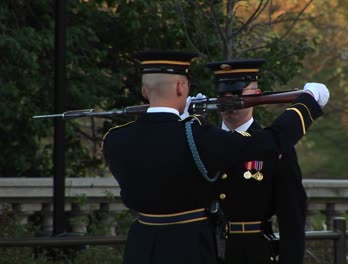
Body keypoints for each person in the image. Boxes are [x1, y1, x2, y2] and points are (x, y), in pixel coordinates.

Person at [101, 50, 329, 264]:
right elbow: (270, 142)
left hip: (142, 248)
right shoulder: (200, 137)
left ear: (144, 90)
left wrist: (185, 120)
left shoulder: (114, 139)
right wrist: (307, 103)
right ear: (181, 88)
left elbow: (292, 219)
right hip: (192, 248)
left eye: (237, 94)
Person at [206, 59, 329, 264]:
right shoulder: (202, 141)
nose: (228, 103)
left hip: (253, 252)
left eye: (237, 94)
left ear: (257, 95)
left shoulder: (276, 148)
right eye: (222, 96)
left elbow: (292, 218)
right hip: (206, 250)